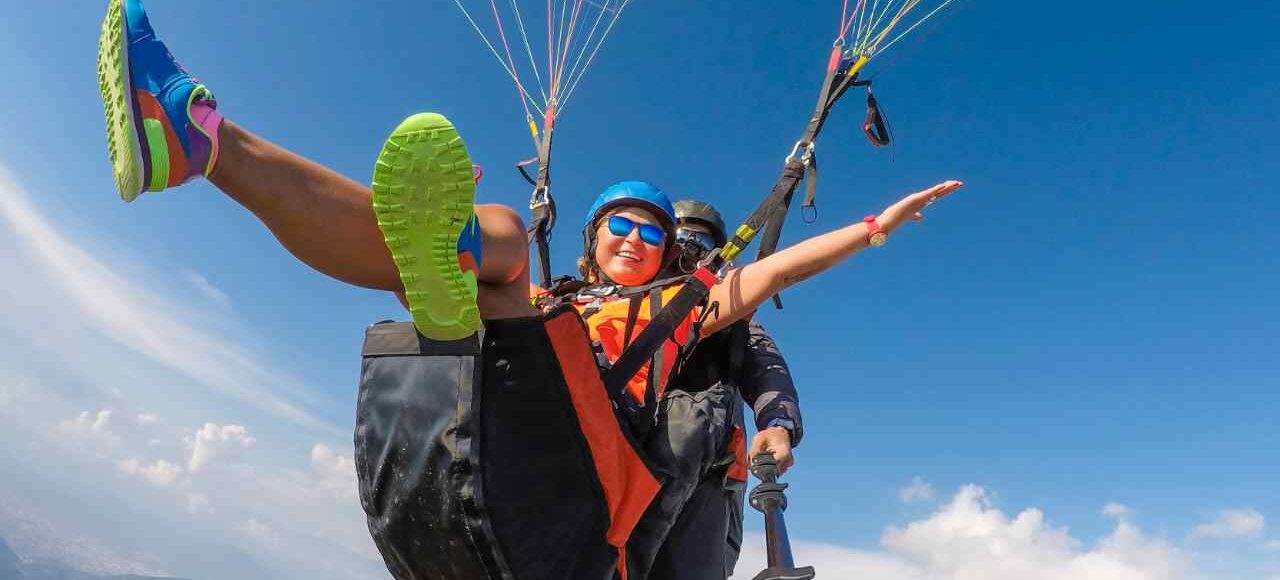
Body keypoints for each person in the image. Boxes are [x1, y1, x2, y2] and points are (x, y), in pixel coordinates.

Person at [96, 1, 961, 578]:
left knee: (502, 250)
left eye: (650, 230)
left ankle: (462, 248)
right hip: (505, 423)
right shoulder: (566, 297)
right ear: (590, 240)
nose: (633, 238)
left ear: (669, 253)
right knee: (490, 255)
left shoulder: (681, 307)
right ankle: (199, 141)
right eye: (616, 224)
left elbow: (775, 272)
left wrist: (874, 226)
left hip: (583, 480)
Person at [634, 199, 804, 579]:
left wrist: (779, 423)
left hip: (708, 476)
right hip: (622, 458)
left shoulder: (729, 315)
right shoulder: (622, 300)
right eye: (681, 238)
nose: (690, 249)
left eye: (702, 241)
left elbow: (766, 368)